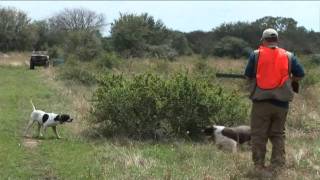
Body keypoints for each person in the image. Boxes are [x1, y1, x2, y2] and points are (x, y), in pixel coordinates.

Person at [244, 28, 305, 177]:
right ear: (277, 40)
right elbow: (300, 74)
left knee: (259, 135)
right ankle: (277, 166)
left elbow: (248, 76)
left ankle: (259, 167)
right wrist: (292, 81)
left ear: (263, 40)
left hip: (261, 103)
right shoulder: (289, 56)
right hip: (281, 104)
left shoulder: (256, 55)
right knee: (277, 134)